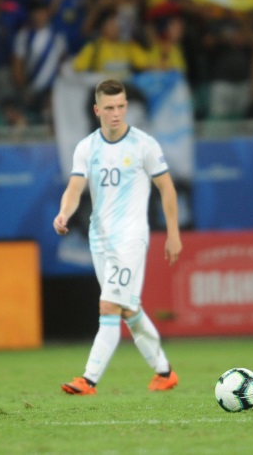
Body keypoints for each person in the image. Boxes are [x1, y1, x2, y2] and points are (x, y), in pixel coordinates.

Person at [53, 79, 182, 396]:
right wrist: (64, 213)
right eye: (109, 108)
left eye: (121, 106)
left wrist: (174, 233)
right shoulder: (87, 147)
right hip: (100, 240)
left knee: (110, 305)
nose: (116, 113)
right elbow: (75, 188)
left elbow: (166, 187)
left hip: (131, 239)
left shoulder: (143, 145)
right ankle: (164, 373)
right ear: (97, 109)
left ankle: (88, 379)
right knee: (129, 309)